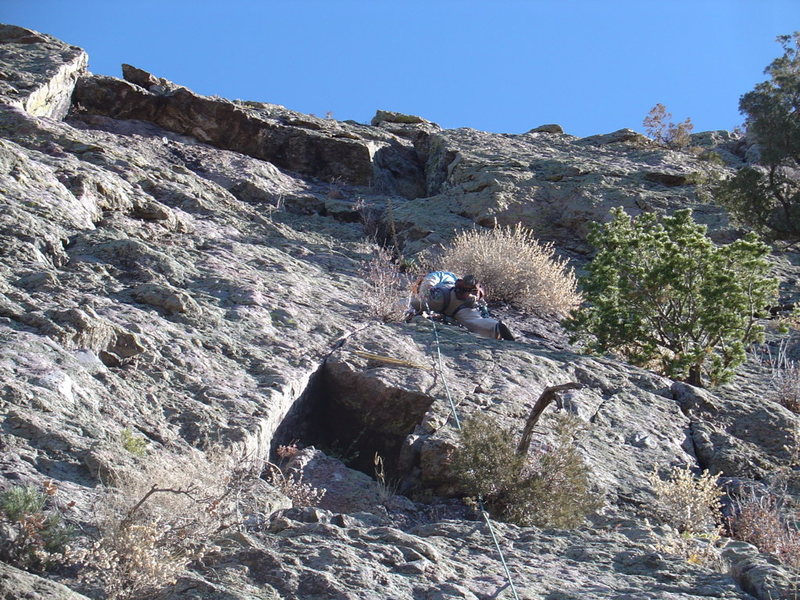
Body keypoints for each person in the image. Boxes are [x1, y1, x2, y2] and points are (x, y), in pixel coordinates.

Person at [406, 271, 515, 340]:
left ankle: (400, 310)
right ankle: (495, 327)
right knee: (475, 321)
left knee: (408, 303)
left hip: (441, 297)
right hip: (463, 306)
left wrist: (426, 290)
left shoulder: (447, 275)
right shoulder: (471, 293)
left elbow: (432, 280)